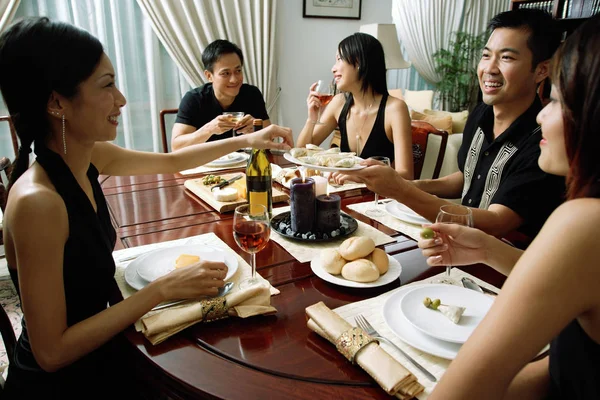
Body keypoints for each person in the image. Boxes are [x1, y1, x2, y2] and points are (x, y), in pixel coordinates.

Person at [0, 17, 292, 398]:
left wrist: (253, 138)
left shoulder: (87, 156)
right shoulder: (39, 202)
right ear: (57, 102)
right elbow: (52, 352)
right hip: (66, 384)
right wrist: (160, 290)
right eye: (107, 86)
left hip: (105, 350)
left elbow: (172, 162)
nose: (121, 99)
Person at [420, 14, 600, 399]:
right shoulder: (481, 115)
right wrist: (486, 249)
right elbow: (567, 369)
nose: (541, 115)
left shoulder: (585, 220)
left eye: (556, 99)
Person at [334, 9, 566, 240]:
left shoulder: (545, 140)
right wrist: (405, 183)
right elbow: (467, 176)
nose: (489, 69)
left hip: (505, 261)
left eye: (506, 57)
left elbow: (497, 223)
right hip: (460, 247)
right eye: (486, 55)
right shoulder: (481, 114)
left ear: (542, 70)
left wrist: (402, 189)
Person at [297, 32, 413, 179]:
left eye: (339, 59)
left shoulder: (395, 109)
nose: (333, 68)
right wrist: (311, 119)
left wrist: (361, 176)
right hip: (345, 194)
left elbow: (407, 176)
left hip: (380, 199)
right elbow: (301, 153)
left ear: (358, 63)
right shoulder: (339, 103)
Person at [171, 39, 271, 150]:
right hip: (205, 164)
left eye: (238, 71)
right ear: (209, 76)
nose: (234, 79)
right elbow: (176, 146)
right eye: (226, 73)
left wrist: (256, 128)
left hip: (243, 163)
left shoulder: (252, 94)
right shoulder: (194, 99)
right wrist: (208, 129)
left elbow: (270, 140)